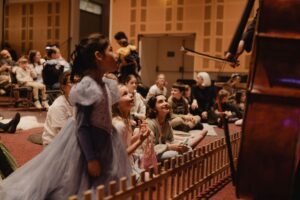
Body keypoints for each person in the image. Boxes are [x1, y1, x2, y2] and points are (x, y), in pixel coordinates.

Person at [0, 33, 130, 199]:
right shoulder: (87, 87)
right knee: (75, 188)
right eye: (110, 50)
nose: (116, 54)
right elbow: (82, 126)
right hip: (86, 149)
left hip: (104, 143)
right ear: (98, 56)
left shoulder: (106, 84)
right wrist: (90, 159)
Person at [146, 95, 205, 162]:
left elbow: (171, 140)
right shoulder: (149, 123)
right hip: (151, 154)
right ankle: (189, 158)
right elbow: (150, 149)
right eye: (160, 102)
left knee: (187, 148)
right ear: (153, 108)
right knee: (176, 154)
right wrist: (169, 147)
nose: (165, 103)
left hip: (164, 149)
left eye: (165, 101)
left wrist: (179, 145)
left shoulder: (166, 122)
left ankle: (188, 156)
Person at [112, 85, 150, 178]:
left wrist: (139, 135)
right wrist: (140, 141)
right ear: (116, 103)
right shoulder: (118, 125)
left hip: (129, 162)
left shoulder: (126, 120)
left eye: (129, 92)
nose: (131, 95)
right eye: (125, 94)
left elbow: (126, 143)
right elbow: (121, 154)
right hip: (119, 168)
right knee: (149, 178)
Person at [42, 72, 73, 146]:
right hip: (54, 144)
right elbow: (63, 135)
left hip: (71, 139)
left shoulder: (79, 102)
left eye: (78, 82)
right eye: (71, 83)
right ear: (63, 87)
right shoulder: (58, 106)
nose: (76, 86)